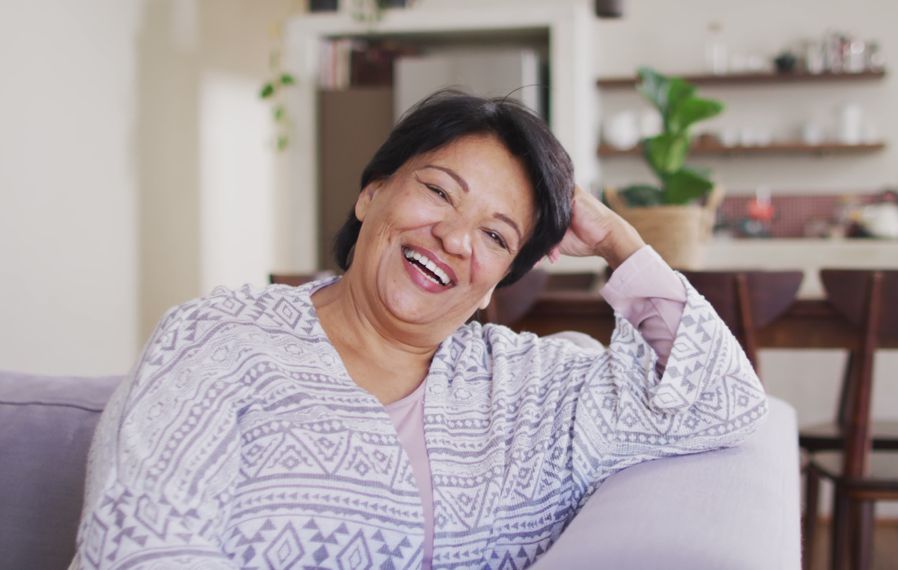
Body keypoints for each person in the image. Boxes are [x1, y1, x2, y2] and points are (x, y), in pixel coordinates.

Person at [71, 90, 767, 569]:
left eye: (495, 235)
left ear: (500, 280)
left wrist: (620, 242)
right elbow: (137, 544)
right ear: (372, 192)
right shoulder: (220, 336)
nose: (454, 238)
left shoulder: (531, 387)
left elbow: (724, 404)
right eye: (437, 191)